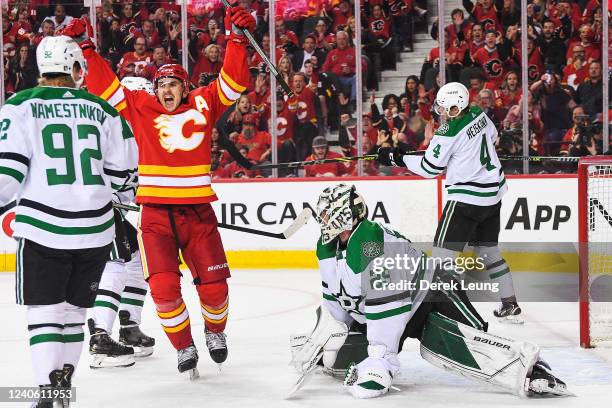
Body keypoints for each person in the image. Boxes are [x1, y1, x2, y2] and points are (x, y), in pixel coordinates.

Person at [61, 5, 255, 378]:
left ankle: (214, 333)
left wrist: (235, 39)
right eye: (161, 85)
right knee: (164, 288)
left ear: (185, 86)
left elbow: (233, 81)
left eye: (173, 84)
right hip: (155, 217)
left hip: (198, 213)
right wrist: (86, 47)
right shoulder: (142, 107)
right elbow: (105, 87)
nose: (166, 90)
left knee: (214, 288)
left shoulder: (204, 102)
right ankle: (184, 347)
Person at [291, 184, 570, 399]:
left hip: (434, 291)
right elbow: (337, 299)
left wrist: (381, 358)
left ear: (345, 215)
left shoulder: (370, 243)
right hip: (398, 307)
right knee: (337, 357)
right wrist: (326, 336)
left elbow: (386, 305)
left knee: (468, 341)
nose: (323, 219)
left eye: (329, 212)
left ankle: (532, 370)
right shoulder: (329, 247)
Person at [0, 35, 136, 407]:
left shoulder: (19, 106)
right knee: (75, 314)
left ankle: (47, 391)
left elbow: (6, 177)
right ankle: (62, 391)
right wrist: (122, 196)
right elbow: (125, 177)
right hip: (95, 231)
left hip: (43, 229)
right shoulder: (105, 110)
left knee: (45, 313)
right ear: (76, 68)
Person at [376, 82, 522, 323]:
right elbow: (492, 137)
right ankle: (510, 304)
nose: (442, 113)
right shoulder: (478, 113)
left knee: (442, 261)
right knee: (488, 251)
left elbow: (429, 168)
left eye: (447, 109)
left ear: (457, 106)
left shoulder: (448, 131)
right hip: (493, 197)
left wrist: (396, 158)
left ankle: (456, 316)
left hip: (465, 201)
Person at [87, 77, 156, 369]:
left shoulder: (137, 127)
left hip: (128, 209)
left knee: (138, 265)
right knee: (115, 265)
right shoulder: (110, 125)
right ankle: (100, 338)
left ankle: (129, 327)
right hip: (109, 207)